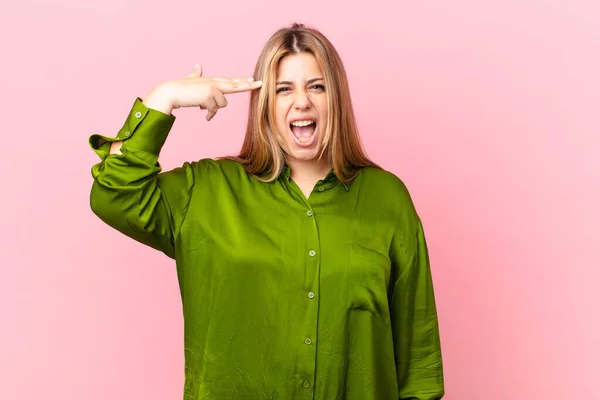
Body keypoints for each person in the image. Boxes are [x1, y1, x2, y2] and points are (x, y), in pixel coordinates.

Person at [89, 23, 444, 400]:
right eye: (283, 88)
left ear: (336, 98)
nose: (302, 102)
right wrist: (165, 97)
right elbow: (114, 195)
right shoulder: (205, 191)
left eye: (317, 86)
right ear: (264, 103)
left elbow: (417, 364)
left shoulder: (386, 198)